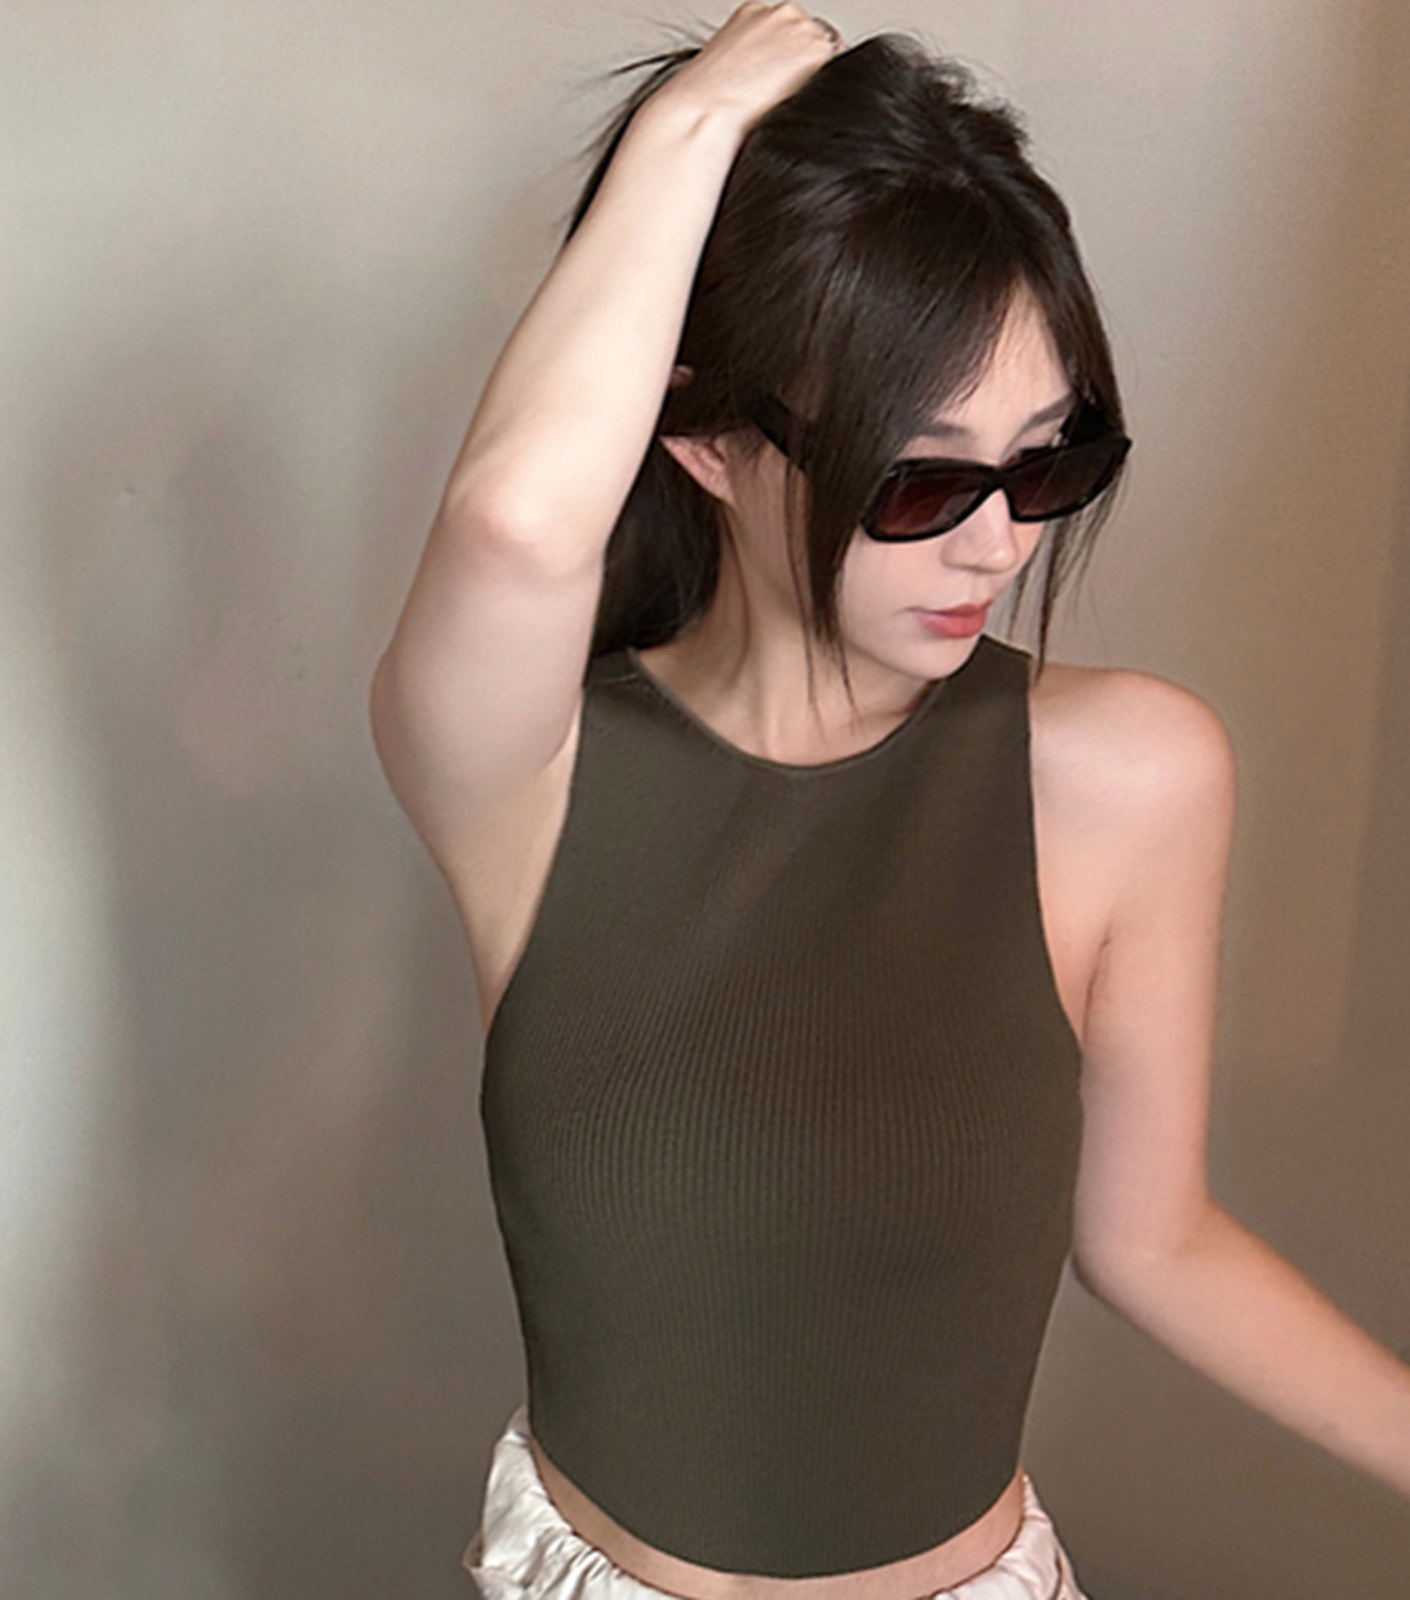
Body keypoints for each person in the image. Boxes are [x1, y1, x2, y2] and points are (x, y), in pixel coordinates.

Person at [369, 6, 1410, 1597]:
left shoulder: (1129, 776)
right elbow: (516, 524)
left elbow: (1153, 1240)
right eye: (920, 481)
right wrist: (699, 120)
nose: (1000, 546)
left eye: (1046, 465)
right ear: (708, 438)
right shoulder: (533, 773)